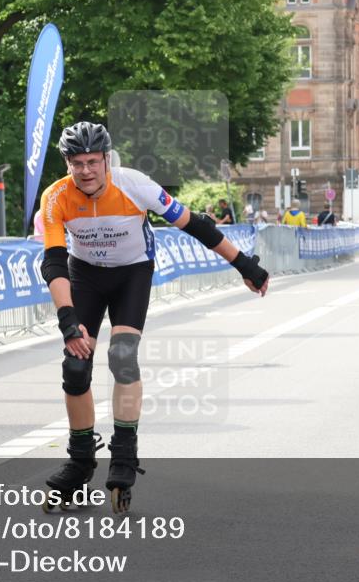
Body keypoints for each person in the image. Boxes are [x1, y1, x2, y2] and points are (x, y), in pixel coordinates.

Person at [38, 122, 269, 513]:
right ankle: (80, 462)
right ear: (67, 164)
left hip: (132, 273)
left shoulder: (135, 185)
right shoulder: (55, 197)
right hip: (84, 276)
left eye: (93, 161)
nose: (86, 170)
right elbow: (55, 262)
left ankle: (124, 457)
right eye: (77, 163)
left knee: (122, 356)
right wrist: (67, 321)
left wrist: (244, 264)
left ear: (106, 159)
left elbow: (196, 225)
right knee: (75, 366)